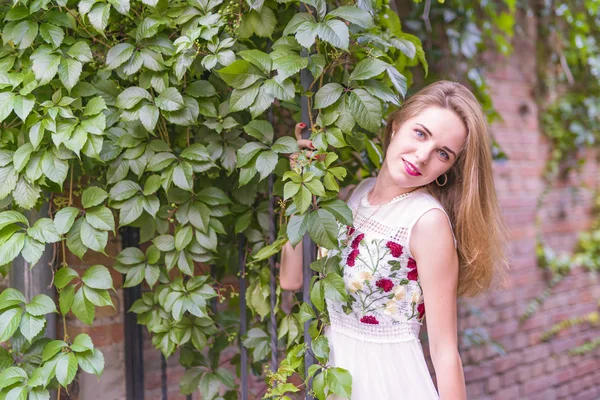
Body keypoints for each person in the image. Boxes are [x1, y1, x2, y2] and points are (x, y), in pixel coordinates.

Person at [279, 80, 508, 399]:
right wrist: (301, 189)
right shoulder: (353, 195)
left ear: (448, 168)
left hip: (388, 384)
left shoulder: (427, 222)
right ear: (397, 125)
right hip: (334, 378)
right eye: (420, 133)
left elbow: (444, 351)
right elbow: (291, 280)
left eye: (443, 153)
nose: (423, 155)